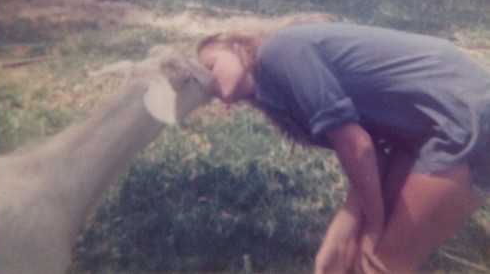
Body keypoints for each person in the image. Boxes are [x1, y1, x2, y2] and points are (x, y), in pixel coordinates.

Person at [196, 18, 490, 273]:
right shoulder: (277, 99)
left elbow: (358, 147)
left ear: (235, 46)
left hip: (461, 110)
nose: (207, 81)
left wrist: (374, 224)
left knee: (382, 264)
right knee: (350, 258)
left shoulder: (278, 51)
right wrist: (339, 236)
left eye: (210, 65)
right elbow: (373, 156)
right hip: (420, 133)